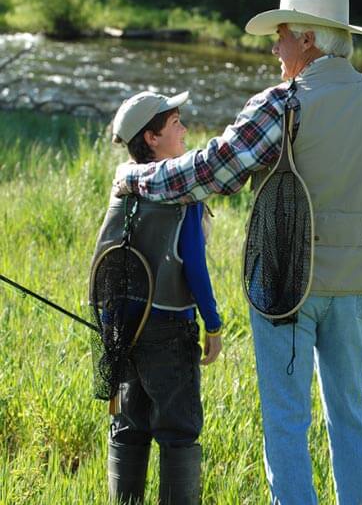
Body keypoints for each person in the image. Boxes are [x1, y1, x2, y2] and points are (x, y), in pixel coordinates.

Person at [114, 0, 362, 505]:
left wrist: (137, 178)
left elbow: (213, 172)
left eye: (280, 35)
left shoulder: (281, 103)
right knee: (351, 416)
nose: (274, 47)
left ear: (308, 39)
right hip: (354, 288)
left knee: (286, 420)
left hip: (284, 286)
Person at [92, 90, 222, 505]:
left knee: (130, 425)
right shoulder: (182, 193)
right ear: (151, 138)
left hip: (124, 330)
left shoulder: (121, 187)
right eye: (175, 124)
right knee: (179, 430)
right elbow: (194, 267)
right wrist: (214, 323)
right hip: (170, 328)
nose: (185, 129)